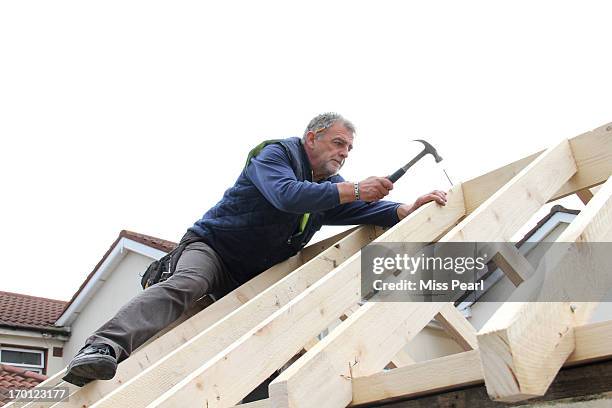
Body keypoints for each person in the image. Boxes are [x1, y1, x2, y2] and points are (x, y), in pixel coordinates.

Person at [62, 112, 447, 386]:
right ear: (311, 137)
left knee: (270, 333)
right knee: (187, 284)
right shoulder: (275, 154)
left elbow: (361, 209)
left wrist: (404, 208)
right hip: (213, 248)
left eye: (349, 148)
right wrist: (356, 189)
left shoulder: (332, 186)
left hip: (251, 276)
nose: (344, 153)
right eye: (338, 143)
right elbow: (286, 195)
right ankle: (101, 349)